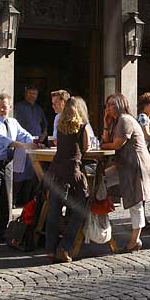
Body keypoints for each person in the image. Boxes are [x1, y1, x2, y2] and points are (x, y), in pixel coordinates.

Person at [100, 93, 150, 253]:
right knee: (100, 182)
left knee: (136, 200)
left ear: (119, 104)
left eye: (110, 104)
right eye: (107, 105)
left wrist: (102, 146)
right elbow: (106, 140)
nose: (107, 108)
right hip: (123, 164)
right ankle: (99, 216)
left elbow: (116, 144)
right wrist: (105, 123)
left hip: (135, 164)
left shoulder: (125, 120)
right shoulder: (115, 122)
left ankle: (134, 240)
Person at [0, 93, 36, 249]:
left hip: (7, 164)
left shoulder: (13, 122)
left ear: (10, 107)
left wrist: (33, 142)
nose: (1, 109)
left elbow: (24, 135)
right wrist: (22, 146)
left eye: (4, 106)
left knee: (7, 200)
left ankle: (3, 232)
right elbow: (2, 140)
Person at [44, 98, 91, 263]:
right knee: (81, 207)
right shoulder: (82, 127)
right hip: (73, 172)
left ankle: (50, 248)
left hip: (57, 171)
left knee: (54, 210)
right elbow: (86, 149)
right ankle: (65, 247)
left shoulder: (60, 126)